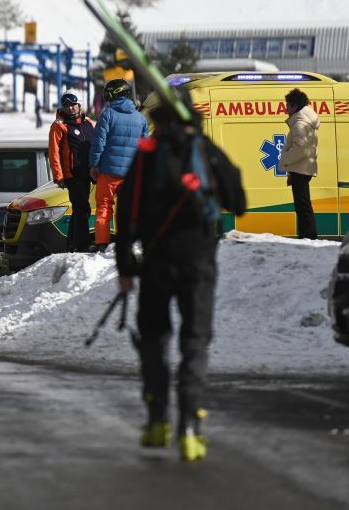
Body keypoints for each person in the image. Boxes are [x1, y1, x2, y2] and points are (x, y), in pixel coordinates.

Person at [114, 87, 243, 462]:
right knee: (195, 341)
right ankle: (190, 427)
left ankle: (157, 422)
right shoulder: (205, 151)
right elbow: (239, 202)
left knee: (154, 339)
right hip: (200, 261)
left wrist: (126, 267)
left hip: (156, 261)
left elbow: (126, 216)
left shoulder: (147, 155)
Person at [89, 78, 148, 251]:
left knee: (104, 208)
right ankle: (128, 243)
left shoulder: (107, 114)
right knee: (128, 210)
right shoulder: (140, 118)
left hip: (108, 172)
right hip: (131, 174)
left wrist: (93, 165)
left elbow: (98, 143)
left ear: (111, 94)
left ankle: (102, 244)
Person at [48, 92, 95, 252]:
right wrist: (58, 176)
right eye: (67, 105)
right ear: (63, 108)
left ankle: (72, 244)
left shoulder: (88, 122)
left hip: (87, 173)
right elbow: (53, 152)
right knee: (82, 207)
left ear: (79, 105)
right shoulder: (59, 125)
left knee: (80, 209)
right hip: (72, 175)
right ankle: (82, 245)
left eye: (73, 104)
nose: (71, 108)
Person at [278, 88, 319, 239]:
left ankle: (308, 235)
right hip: (303, 168)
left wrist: (285, 159)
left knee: (302, 206)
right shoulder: (304, 121)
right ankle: (307, 235)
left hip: (300, 170)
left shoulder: (299, 124)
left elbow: (301, 149)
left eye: (287, 105)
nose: (285, 109)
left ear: (295, 106)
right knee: (303, 205)